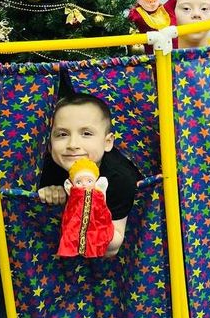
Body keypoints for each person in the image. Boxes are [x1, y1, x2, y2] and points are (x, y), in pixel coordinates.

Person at [38, 93, 141, 257]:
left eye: (86, 133)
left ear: (107, 142)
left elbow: (113, 249)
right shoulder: (46, 167)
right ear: (49, 145)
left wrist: (94, 210)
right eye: (62, 134)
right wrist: (49, 191)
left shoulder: (119, 177)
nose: (73, 145)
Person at [56, 158, 114, 259]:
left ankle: (92, 251)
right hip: (75, 221)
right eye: (79, 182)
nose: (84, 184)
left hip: (95, 221)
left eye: (89, 181)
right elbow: (70, 208)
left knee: (94, 236)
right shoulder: (74, 193)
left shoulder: (98, 194)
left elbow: (102, 208)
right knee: (71, 235)